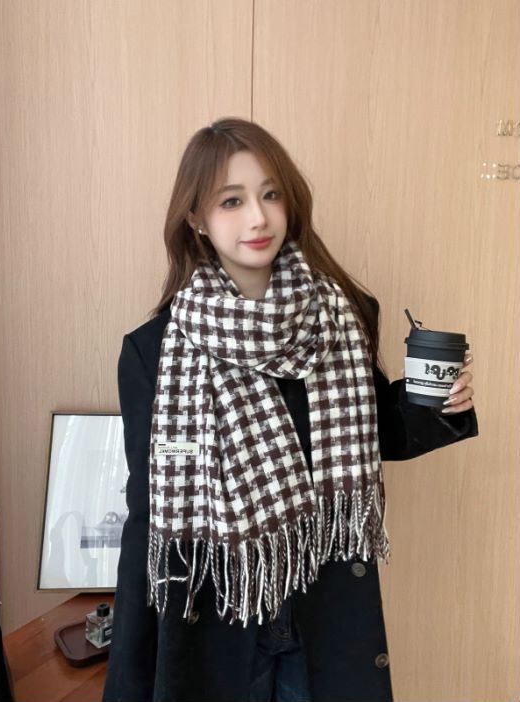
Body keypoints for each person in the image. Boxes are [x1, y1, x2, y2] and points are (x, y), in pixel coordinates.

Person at [102, 117, 478, 702]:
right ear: (196, 218)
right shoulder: (154, 353)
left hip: (321, 604)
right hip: (220, 614)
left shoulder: (341, 316)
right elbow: (149, 514)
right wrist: (128, 673)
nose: (258, 217)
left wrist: (440, 402)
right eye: (232, 201)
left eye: (271, 194)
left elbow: (373, 431)